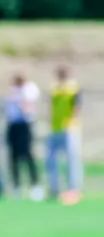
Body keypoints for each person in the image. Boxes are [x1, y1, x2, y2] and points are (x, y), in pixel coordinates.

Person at [46, 65, 83, 205]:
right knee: (51, 160)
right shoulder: (54, 88)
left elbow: (77, 105)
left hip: (69, 127)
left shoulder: (73, 87)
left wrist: (71, 120)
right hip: (55, 127)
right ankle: (54, 188)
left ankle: (73, 189)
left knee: (71, 160)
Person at [4, 73, 42, 200]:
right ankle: (16, 186)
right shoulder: (12, 90)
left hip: (25, 124)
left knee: (28, 155)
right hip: (13, 125)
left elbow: (27, 105)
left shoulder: (29, 88)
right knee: (13, 157)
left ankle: (35, 185)